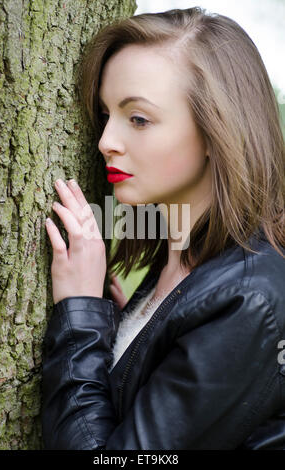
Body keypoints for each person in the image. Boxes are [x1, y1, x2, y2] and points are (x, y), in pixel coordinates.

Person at [41, 7, 285, 450]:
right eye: (105, 114)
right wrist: (113, 324)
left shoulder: (248, 301)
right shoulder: (184, 262)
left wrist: (78, 318)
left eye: (138, 119)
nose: (105, 141)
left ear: (216, 131)